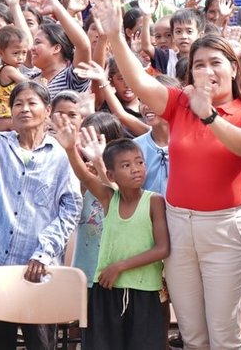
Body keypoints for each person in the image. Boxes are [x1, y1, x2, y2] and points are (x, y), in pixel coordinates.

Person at [100, 0, 241, 350]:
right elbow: (141, 84)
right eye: (198, 64)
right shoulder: (179, 103)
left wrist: (208, 114)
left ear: (234, 67)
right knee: (192, 337)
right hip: (179, 225)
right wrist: (114, 37)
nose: (206, 71)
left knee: (224, 337)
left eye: (215, 62)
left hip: (225, 230)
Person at [0, 60, 82, 350]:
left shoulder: (60, 154)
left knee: (41, 343)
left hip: (36, 266)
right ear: (10, 112)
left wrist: (46, 252)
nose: (24, 109)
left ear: (47, 110)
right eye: (18, 104)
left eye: (32, 103)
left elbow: (70, 208)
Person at [57, 131, 171, 350]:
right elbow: (86, 177)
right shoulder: (109, 198)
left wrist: (120, 266)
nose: (136, 169)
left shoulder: (154, 201)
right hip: (108, 291)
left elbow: (162, 248)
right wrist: (71, 149)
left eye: (139, 162)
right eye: (126, 165)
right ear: (110, 175)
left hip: (144, 292)